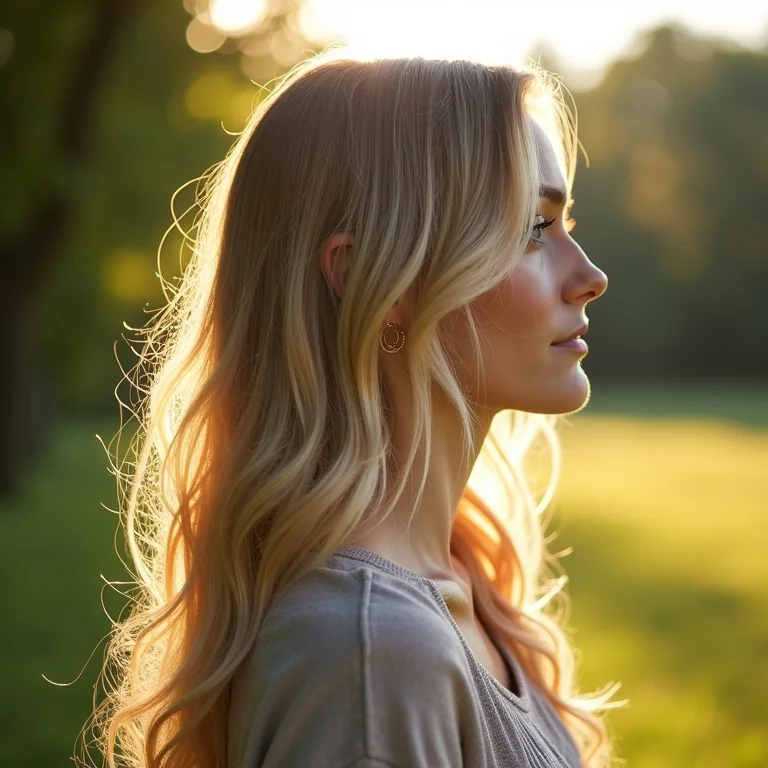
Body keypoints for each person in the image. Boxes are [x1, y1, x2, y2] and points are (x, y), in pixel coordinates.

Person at [81, 49, 626, 768]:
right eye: (533, 228)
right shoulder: (374, 658)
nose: (591, 276)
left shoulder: (455, 585)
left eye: (564, 222)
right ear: (377, 280)